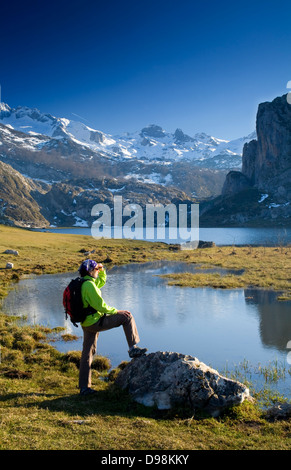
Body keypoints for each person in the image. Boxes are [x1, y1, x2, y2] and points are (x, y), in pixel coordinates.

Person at [78, 259, 147, 395]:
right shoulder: (89, 286)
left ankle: (84, 387)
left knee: (87, 353)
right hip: (95, 322)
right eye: (96, 269)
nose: (98, 271)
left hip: (86, 323)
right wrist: (117, 311)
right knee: (127, 317)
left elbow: (101, 282)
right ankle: (133, 348)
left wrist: (102, 271)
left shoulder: (84, 283)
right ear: (91, 271)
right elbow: (101, 306)